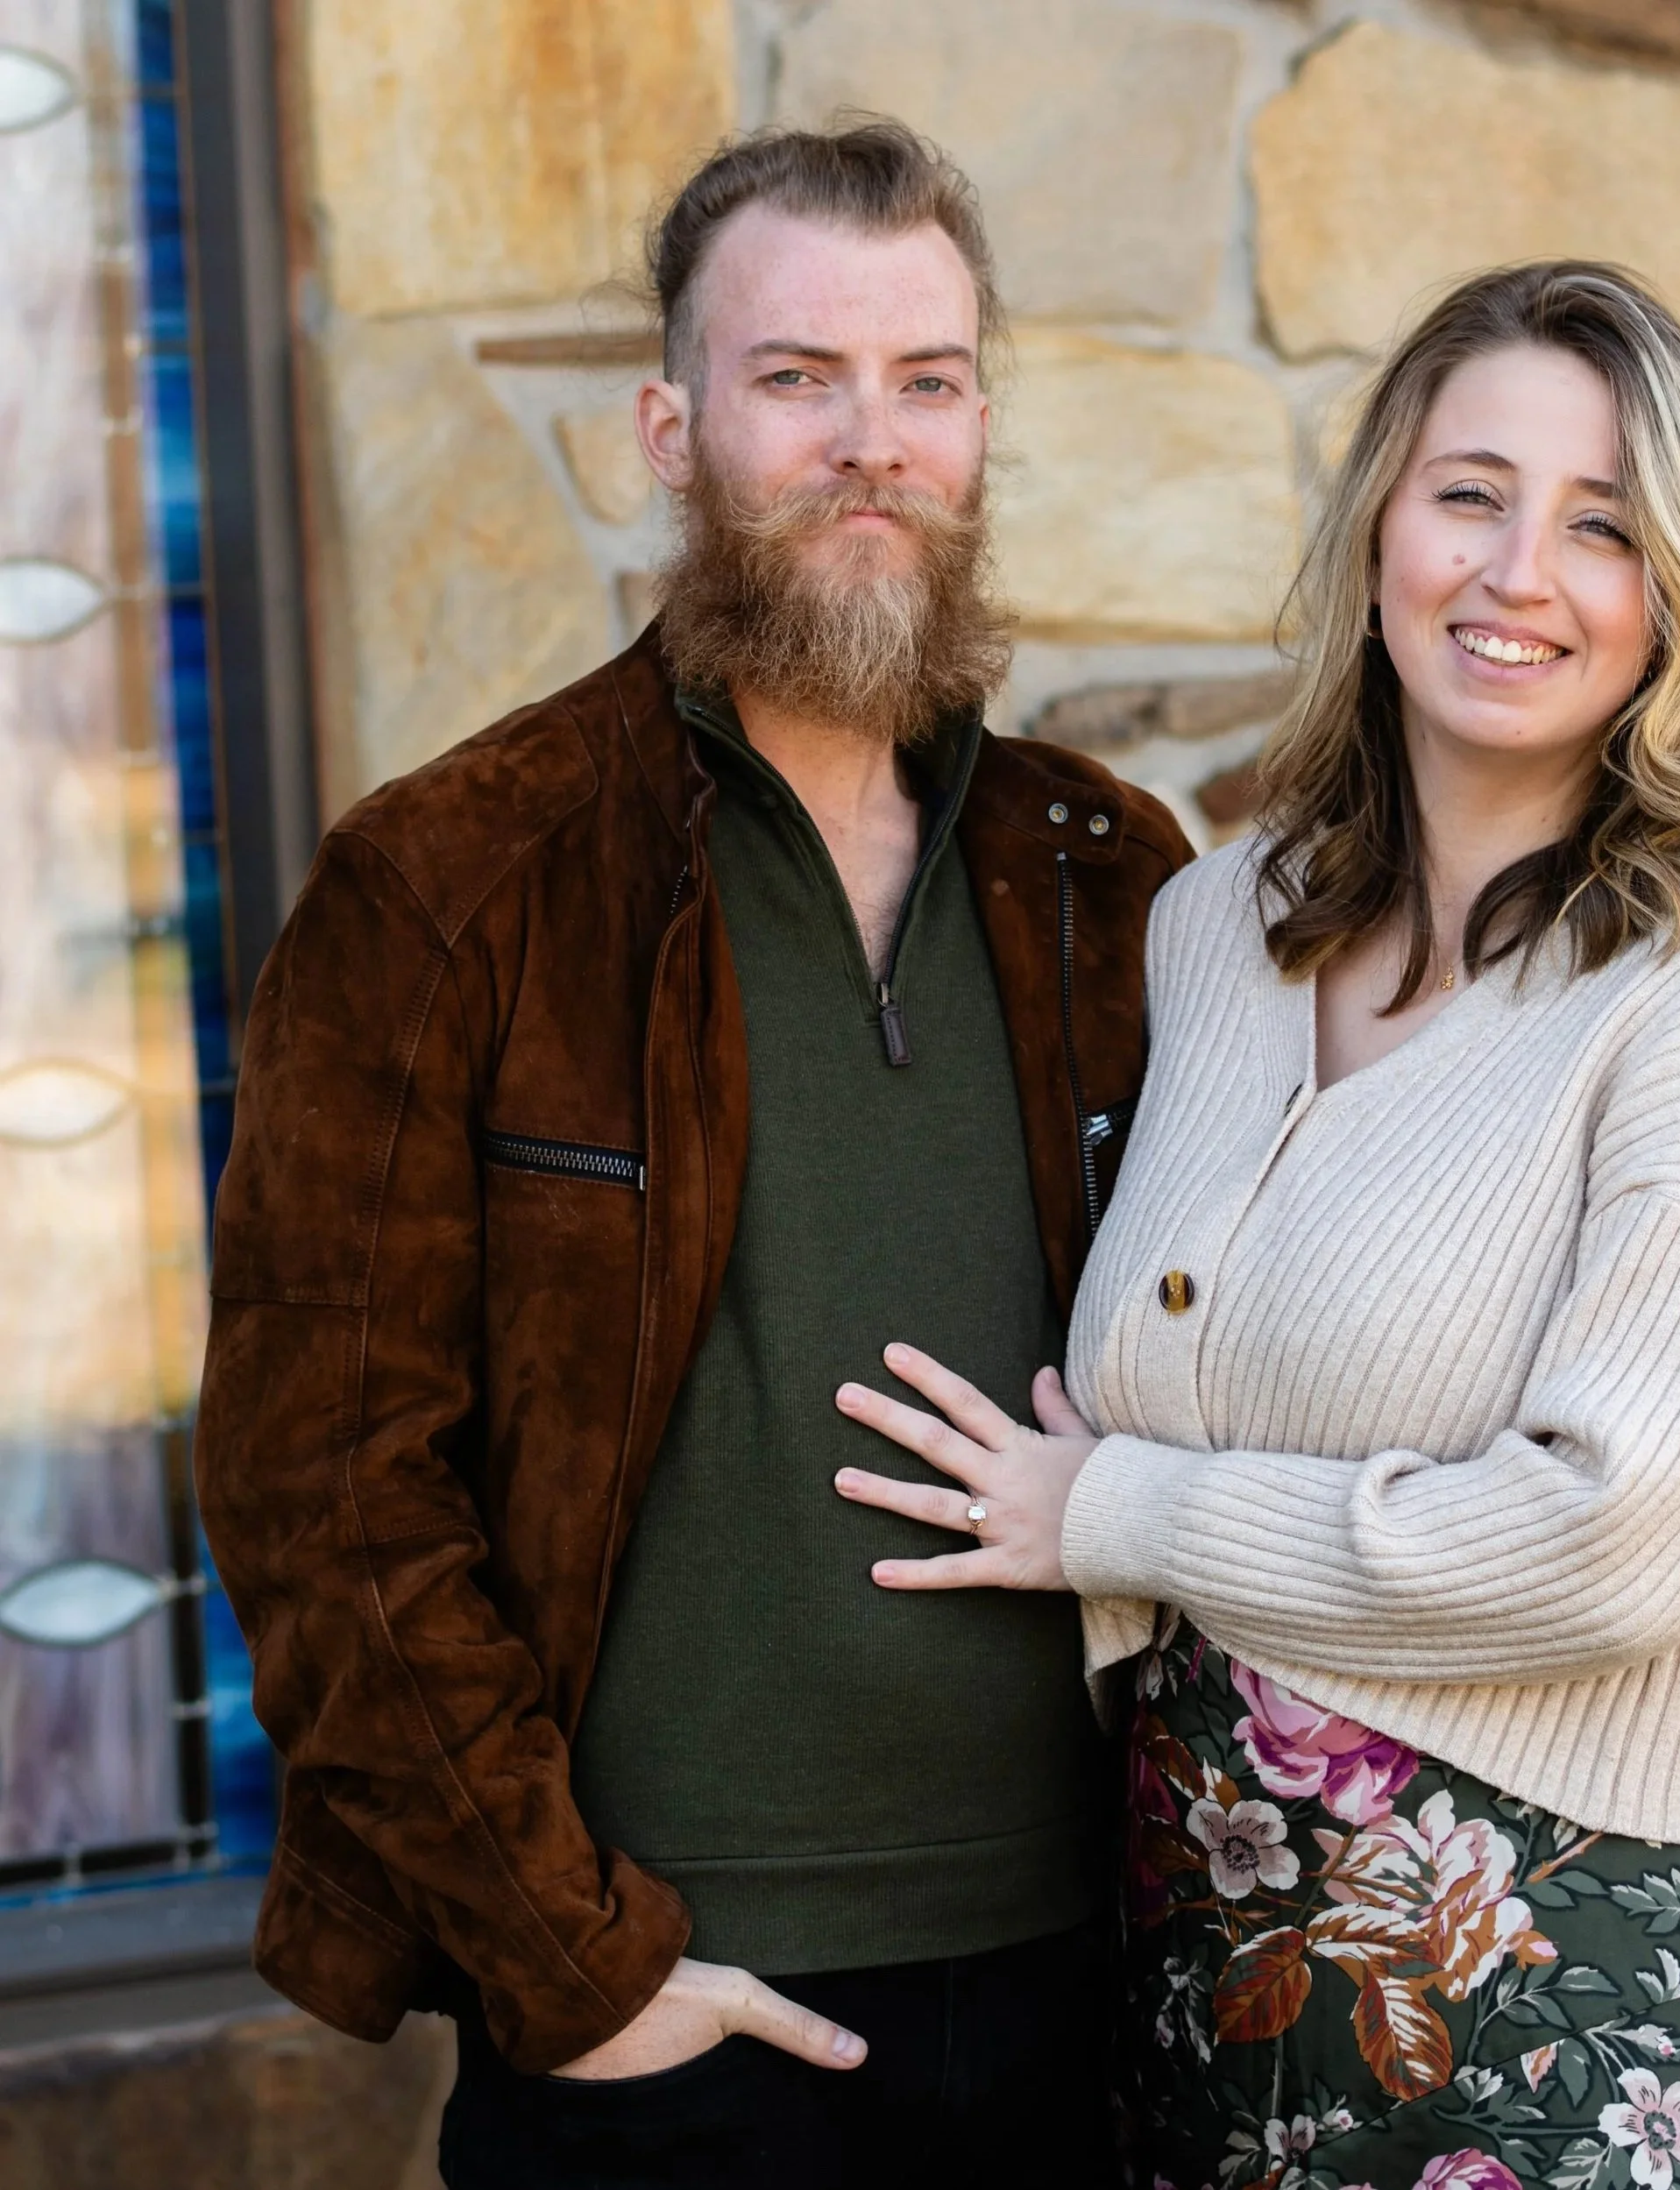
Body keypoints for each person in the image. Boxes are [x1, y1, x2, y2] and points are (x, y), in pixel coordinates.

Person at [193, 123, 1194, 2189]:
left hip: (1096, 1988)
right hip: (678, 2027)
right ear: (672, 424)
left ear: (979, 422)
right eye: (794, 378)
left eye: (924, 380)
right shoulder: (456, 880)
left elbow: (1320, 1317)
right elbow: (322, 1491)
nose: (870, 443)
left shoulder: (1112, 877)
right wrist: (576, 1966)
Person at [833, 261, 1680, 2190]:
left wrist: (1113, 1512)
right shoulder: (1214, 926)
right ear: (1382, 516)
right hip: (1211, 1975)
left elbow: (1619, 1532)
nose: (1516, 574)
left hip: (1596, 1994)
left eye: (1603, 529)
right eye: (1469, 492)